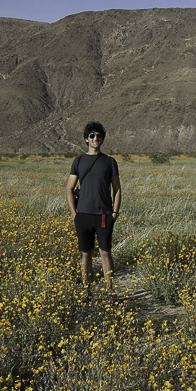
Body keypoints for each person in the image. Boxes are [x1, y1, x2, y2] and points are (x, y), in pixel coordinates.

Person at [66, 121, 122, 293]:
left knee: (105, 253)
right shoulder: (79, 161)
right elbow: (69, 188)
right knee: (86, 254)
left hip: (104, 215)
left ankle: (110, 289)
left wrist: (114, 212)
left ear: (102, 139)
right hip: (83, 214)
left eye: (99, 136)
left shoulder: (109, 162)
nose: (95, 138)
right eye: (92, 136)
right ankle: (86, 289)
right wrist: (74, 213)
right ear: (86, 139)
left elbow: (117, 189)